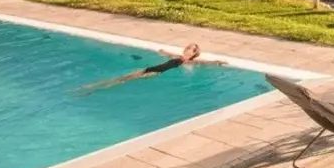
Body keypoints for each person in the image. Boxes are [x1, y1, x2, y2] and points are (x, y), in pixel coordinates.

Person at [74, 43, 224, 95]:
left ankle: (92, 90)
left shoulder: (189, 62)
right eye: (188, 47)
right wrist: (162, 51)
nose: (187, 49)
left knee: (123, 81)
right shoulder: (178, 56)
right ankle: (90, 86)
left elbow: (206, 63)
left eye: (191, 49)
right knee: (121, 78)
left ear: (193, 54)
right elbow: (167, 53)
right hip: (149, 68)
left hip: (155, 72)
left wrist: (217, 62)